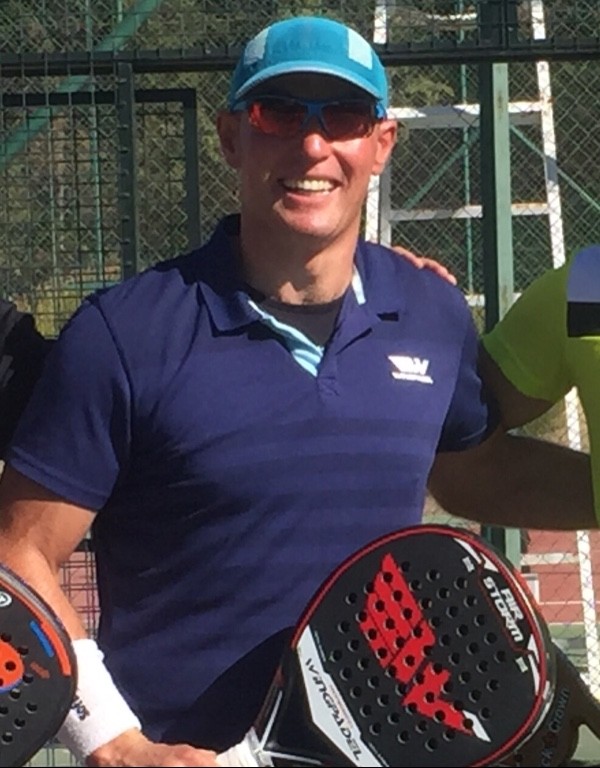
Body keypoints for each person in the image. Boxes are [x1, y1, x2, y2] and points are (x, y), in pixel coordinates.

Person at [0, 15, 594, 768]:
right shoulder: (124, 333)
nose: (312, 146)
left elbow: (472, 472)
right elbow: (19, 550)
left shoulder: (433, 313)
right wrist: (113, 743)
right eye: (277, 113)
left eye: (342, 117)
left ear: (381, 144)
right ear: (231, 138)